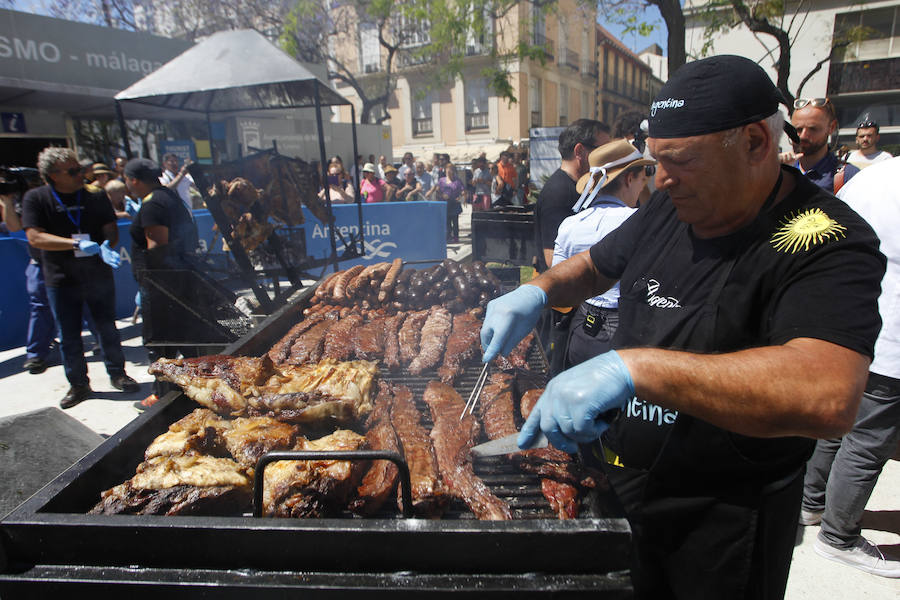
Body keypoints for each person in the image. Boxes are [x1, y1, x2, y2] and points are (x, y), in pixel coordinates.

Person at [480, 55, 885, 598]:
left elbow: (829, 393)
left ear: (754, 144)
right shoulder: (672, 205)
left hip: (720, 522)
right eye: (654, 162)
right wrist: (537, 291)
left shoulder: (826, 238)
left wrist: (636, 368)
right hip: (624, 483)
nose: (661, 179)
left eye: (681, 161)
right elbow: (597, 265)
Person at [798, 156, 900, 579]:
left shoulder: (876, 176)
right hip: (892, 334)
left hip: (858, 321)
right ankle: (838, 537)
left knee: (838, 424)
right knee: (868, 439)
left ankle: (812, 503)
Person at [22, 147, 138, 409]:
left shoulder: (94, 196)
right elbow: (35, 237)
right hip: (61, 279)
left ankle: (118, 373)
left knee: (107, 328)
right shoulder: (36, 198)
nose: (80, 175)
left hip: (97, 275)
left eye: (80, 169)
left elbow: (110, 230)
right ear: (53, 175)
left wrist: (106, 244)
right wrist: (75, 245)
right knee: (70, 334)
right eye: (73, 171)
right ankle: (78, 384)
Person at [553, 139, 655, 369]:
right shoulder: (641, 223)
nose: (642, 187)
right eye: (642, 179)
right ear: (630, 179)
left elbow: (559, 286)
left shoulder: (569, 225)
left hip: (581, 330)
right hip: (626, 332)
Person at [126, 158, 200, 377]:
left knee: (160, 339)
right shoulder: (168, 196)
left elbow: (158, 246)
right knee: (185, 337)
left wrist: (155, 285)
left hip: (162, 285)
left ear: (135, 180)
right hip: (179, 279)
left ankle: (160, 393)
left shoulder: (153, 204)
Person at [782, 98, 858, 193]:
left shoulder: (848, 176)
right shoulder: (779, 172)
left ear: (831, 128)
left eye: (813, 129)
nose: (803, 136)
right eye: (798, 129)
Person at [427, 162, 464, 242]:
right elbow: (437, 190)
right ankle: (448, 236)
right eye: (448, 169)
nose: (449, 171)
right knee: (447, 222)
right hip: (445, 204)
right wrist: (440, 194)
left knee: (455, 222)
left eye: (451, 169)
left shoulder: (457, 181)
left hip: (454, 203)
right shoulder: (441, 180)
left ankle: (456, 237)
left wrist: (461, 197)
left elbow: (462, 191)